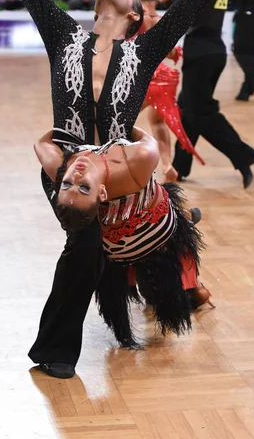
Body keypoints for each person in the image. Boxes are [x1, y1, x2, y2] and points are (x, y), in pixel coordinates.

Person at [0, 0, 254, 379]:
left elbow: (191, 3)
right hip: (68, 168)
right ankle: (57, 350)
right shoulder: (63, 34)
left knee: (155, 239)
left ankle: (178, 292)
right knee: (83, 250)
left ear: (133, 17)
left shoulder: (144, 51)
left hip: (121, 170)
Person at [34, 125, 209, 351]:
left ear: (59, 183)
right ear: (102, 193)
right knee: (167, 267)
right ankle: (189, 286)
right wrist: (123, 123)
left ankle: (173, 286)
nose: (76, 175)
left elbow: (41, 144)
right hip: (152, 231)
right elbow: (146, 139)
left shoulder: (62, 168)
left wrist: (67, 123)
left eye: (68, 184)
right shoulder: (136, 164)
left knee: (154, 282)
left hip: (119, 241)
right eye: (85, 187)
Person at [172, 0, 254, 188]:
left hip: (200, 54)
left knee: (201, 114)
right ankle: (179, 166)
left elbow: (180, 16)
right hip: (214, 52)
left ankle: (242, 153)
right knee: (187, 109)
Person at [136, 0, 204, 182]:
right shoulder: (159, 20)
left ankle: (127, 166)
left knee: (120, 122)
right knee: (157, 122)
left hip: (142, 79)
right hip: (164, 80)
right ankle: (167, 165)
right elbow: (172, 52)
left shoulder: (133, 17)